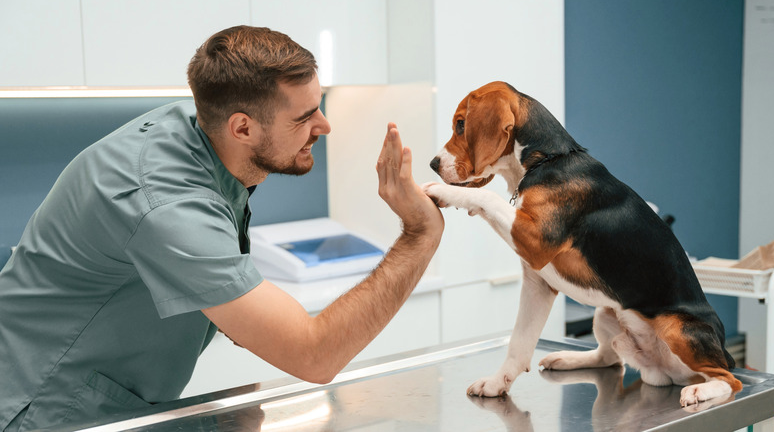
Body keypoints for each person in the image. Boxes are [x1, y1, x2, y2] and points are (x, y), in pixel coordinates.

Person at [0, 25, 443, 431]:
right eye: (304, 117)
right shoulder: (166, 201)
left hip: (106, 402)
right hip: (37, 407)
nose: (323, 126)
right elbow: (316, 355)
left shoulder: (203, 135)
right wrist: (419, 236)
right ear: (243, 127)